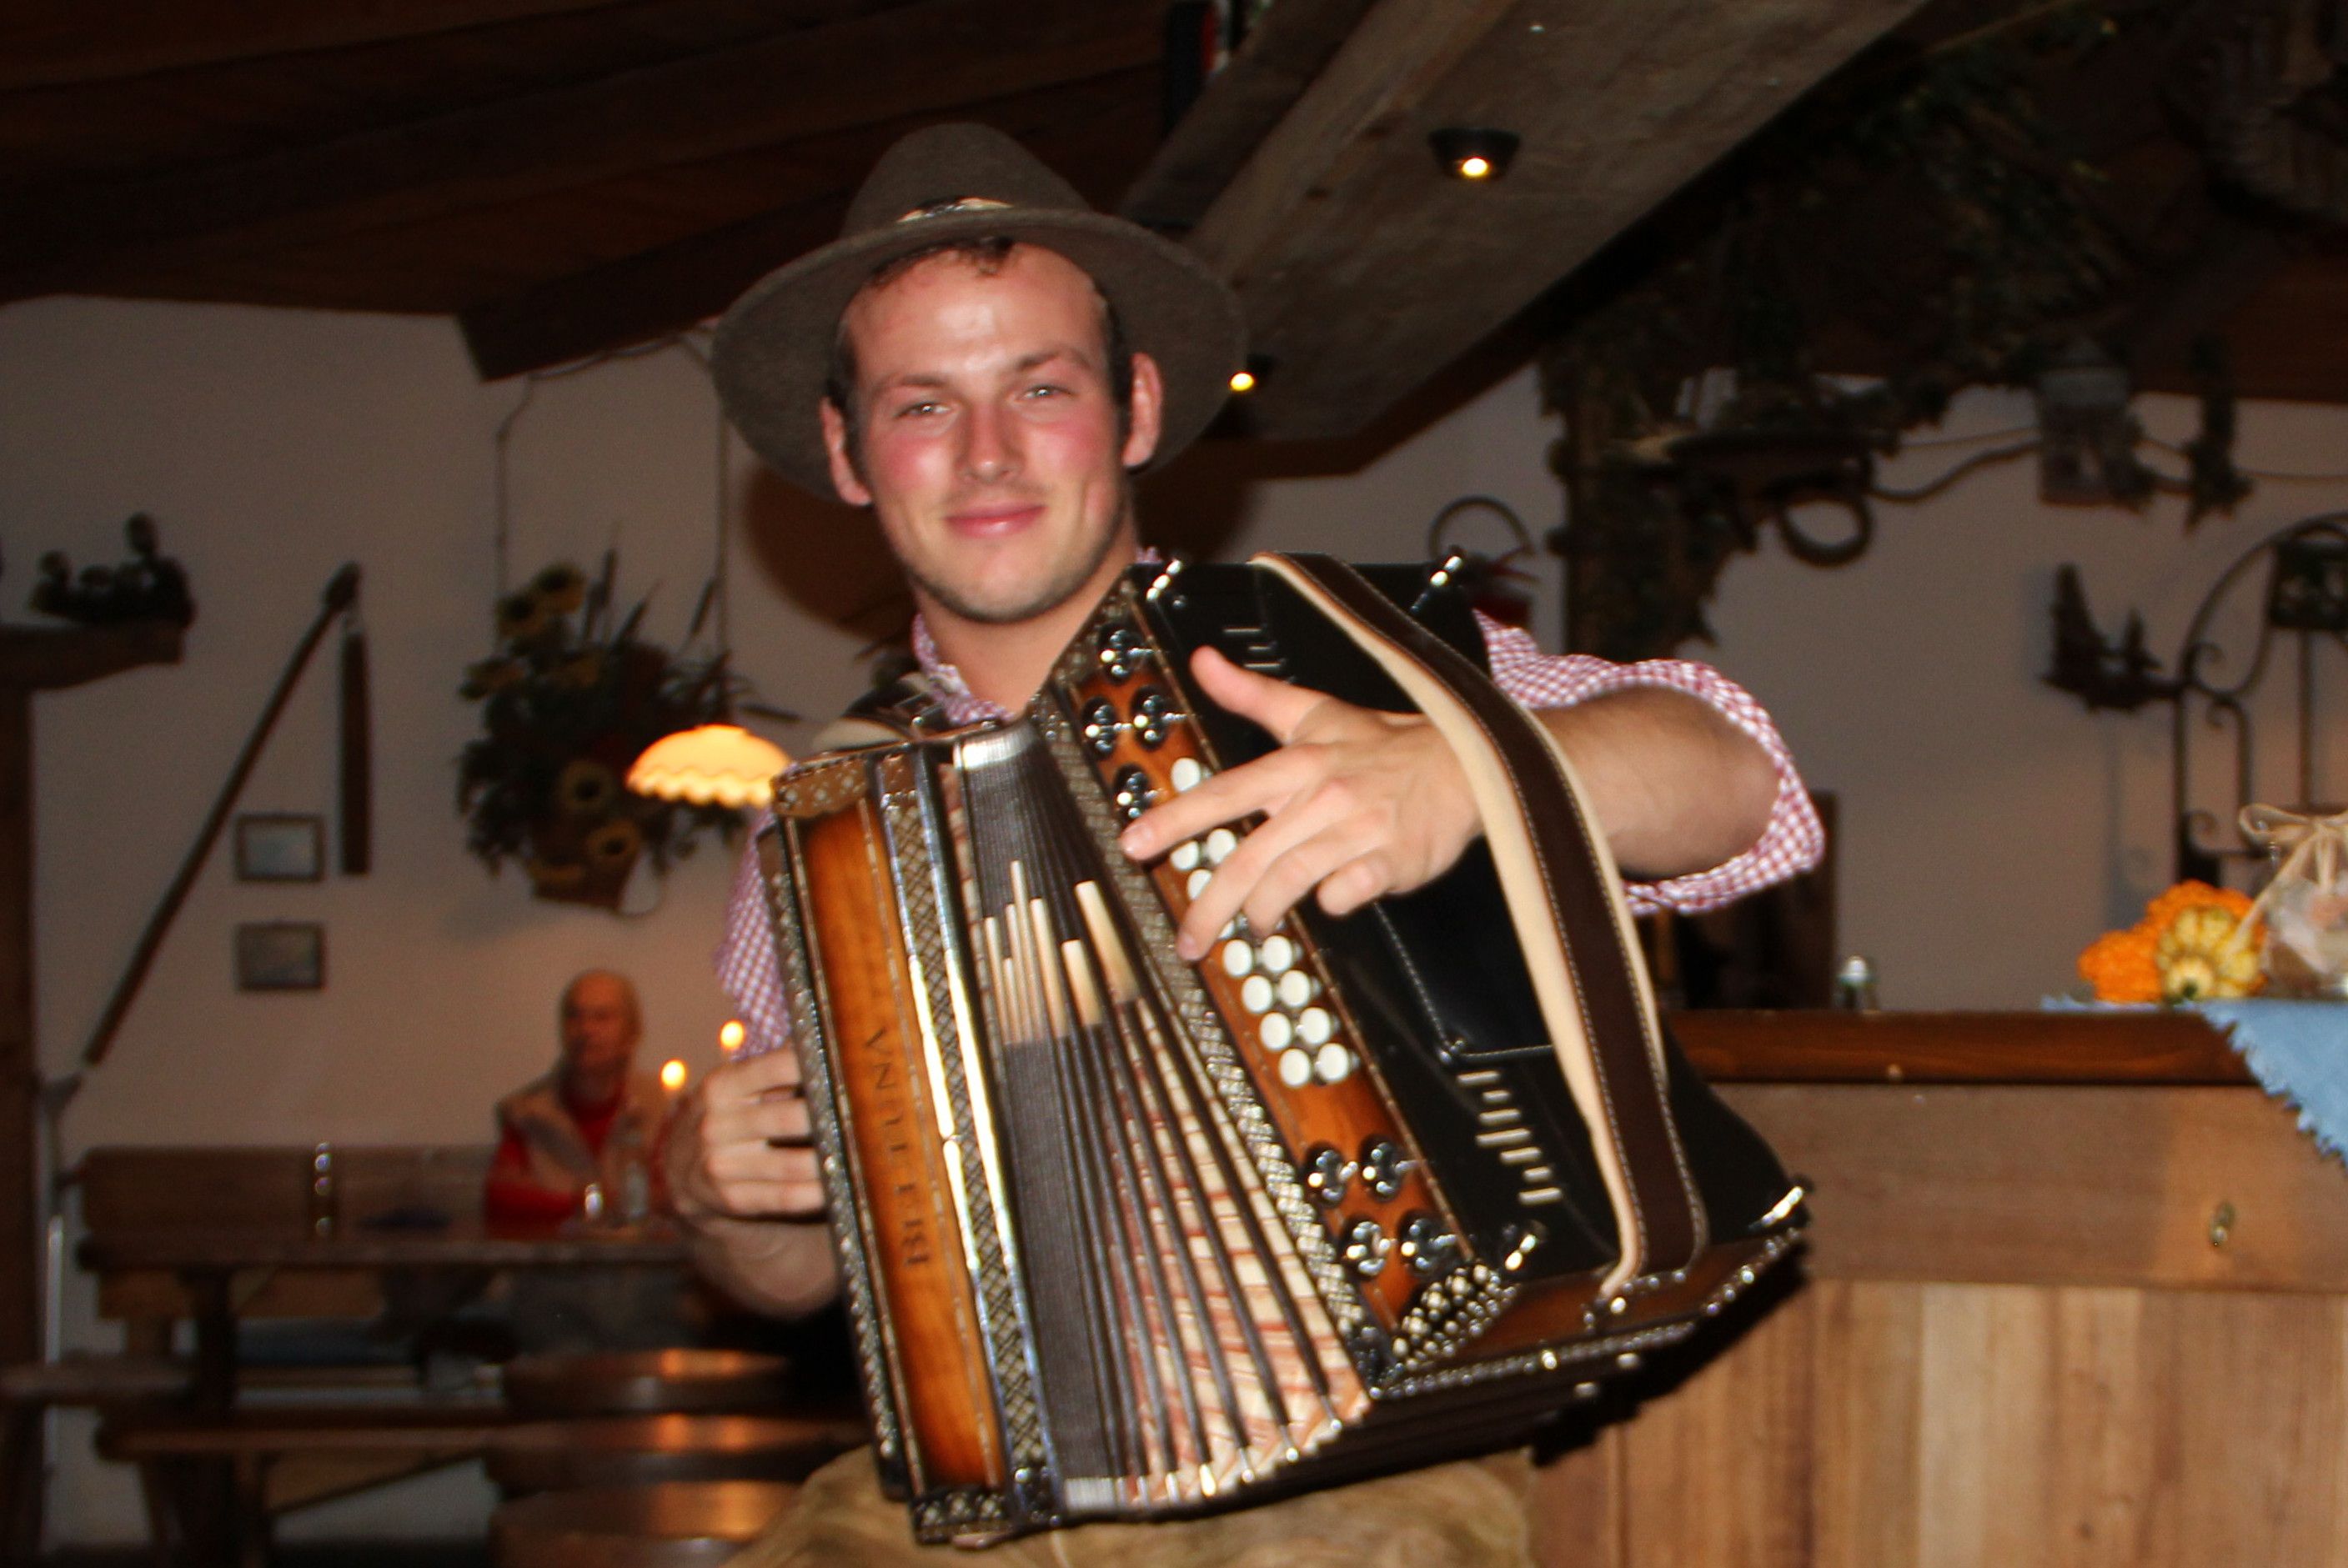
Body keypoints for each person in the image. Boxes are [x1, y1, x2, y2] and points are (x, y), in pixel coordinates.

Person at [667, 123, 1824, 1565]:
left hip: (1361, 1481)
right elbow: (800, 1270)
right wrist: (715, 1193)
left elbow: (1747, 786)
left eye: (1041, 387)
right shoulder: (836, 822)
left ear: (1137, 408)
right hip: (993, 1501)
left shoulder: (1333, 657)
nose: (987, 452)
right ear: (849, 452)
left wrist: (1467, 767)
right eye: (921, 404)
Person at [484, 969, 665, 1227]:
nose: (586, 1029)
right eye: (574, 1016)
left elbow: (673, 1197)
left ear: (632, 1033)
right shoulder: (526, 1113)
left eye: (602, 1017)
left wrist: (548, 1200)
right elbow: (501, 1201)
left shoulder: (657, 1108)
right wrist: (591, 1203)